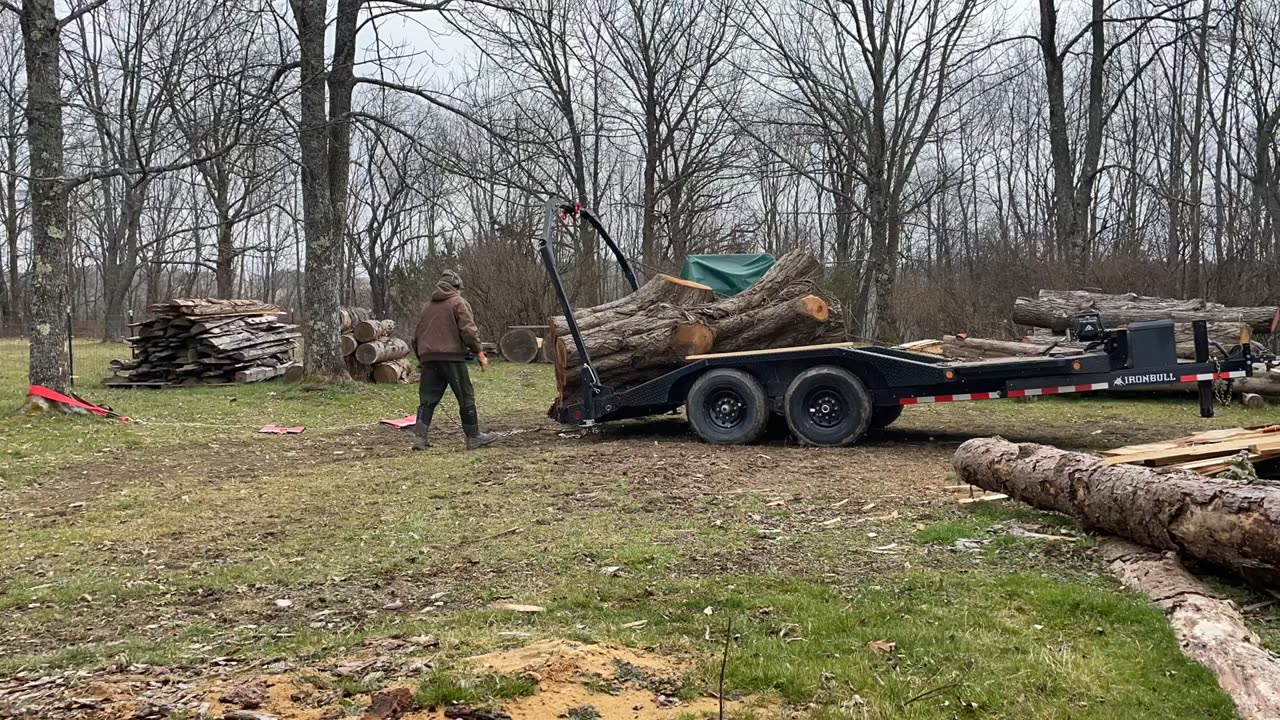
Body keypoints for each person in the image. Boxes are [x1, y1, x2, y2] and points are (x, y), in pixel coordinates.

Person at [412, 270, 498, 451]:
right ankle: (474, 437)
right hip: (451, 358)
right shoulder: (458, 302)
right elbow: (469, 331)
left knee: (427, 400)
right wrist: (479, 352)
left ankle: (419, 440)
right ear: (456, 287)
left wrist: (422, 357)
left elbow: (417, 335)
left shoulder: (427, 306)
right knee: (465, 396)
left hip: (428, 358)